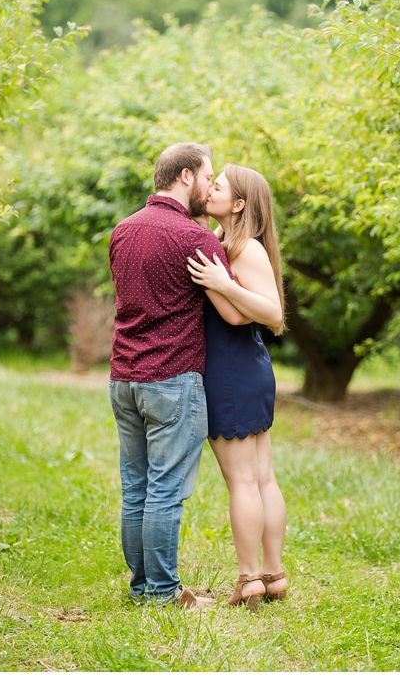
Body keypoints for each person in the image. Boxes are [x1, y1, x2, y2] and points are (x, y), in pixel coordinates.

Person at [107, 142, 231, 609]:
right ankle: (162, 592)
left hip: (124, 378)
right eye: (207, 176)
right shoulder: (193, 237)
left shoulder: (123, 230)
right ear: (185, 176)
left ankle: (142, 588)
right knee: (164, 492)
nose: (209, 185)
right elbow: (233, 308)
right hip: (173, 379)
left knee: (136, 487)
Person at [187, 165, 289, 609]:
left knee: (245, 481)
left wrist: (221, 282)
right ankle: (273, 575)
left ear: (240, 204)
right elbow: (234, 315)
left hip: (232, 371)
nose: (210, 189)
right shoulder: (224, 243)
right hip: (244, 367)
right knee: (261, 478)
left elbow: (273, 313)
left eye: (219, 186)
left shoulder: (245, 249)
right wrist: (222, 283)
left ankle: (250, 578)